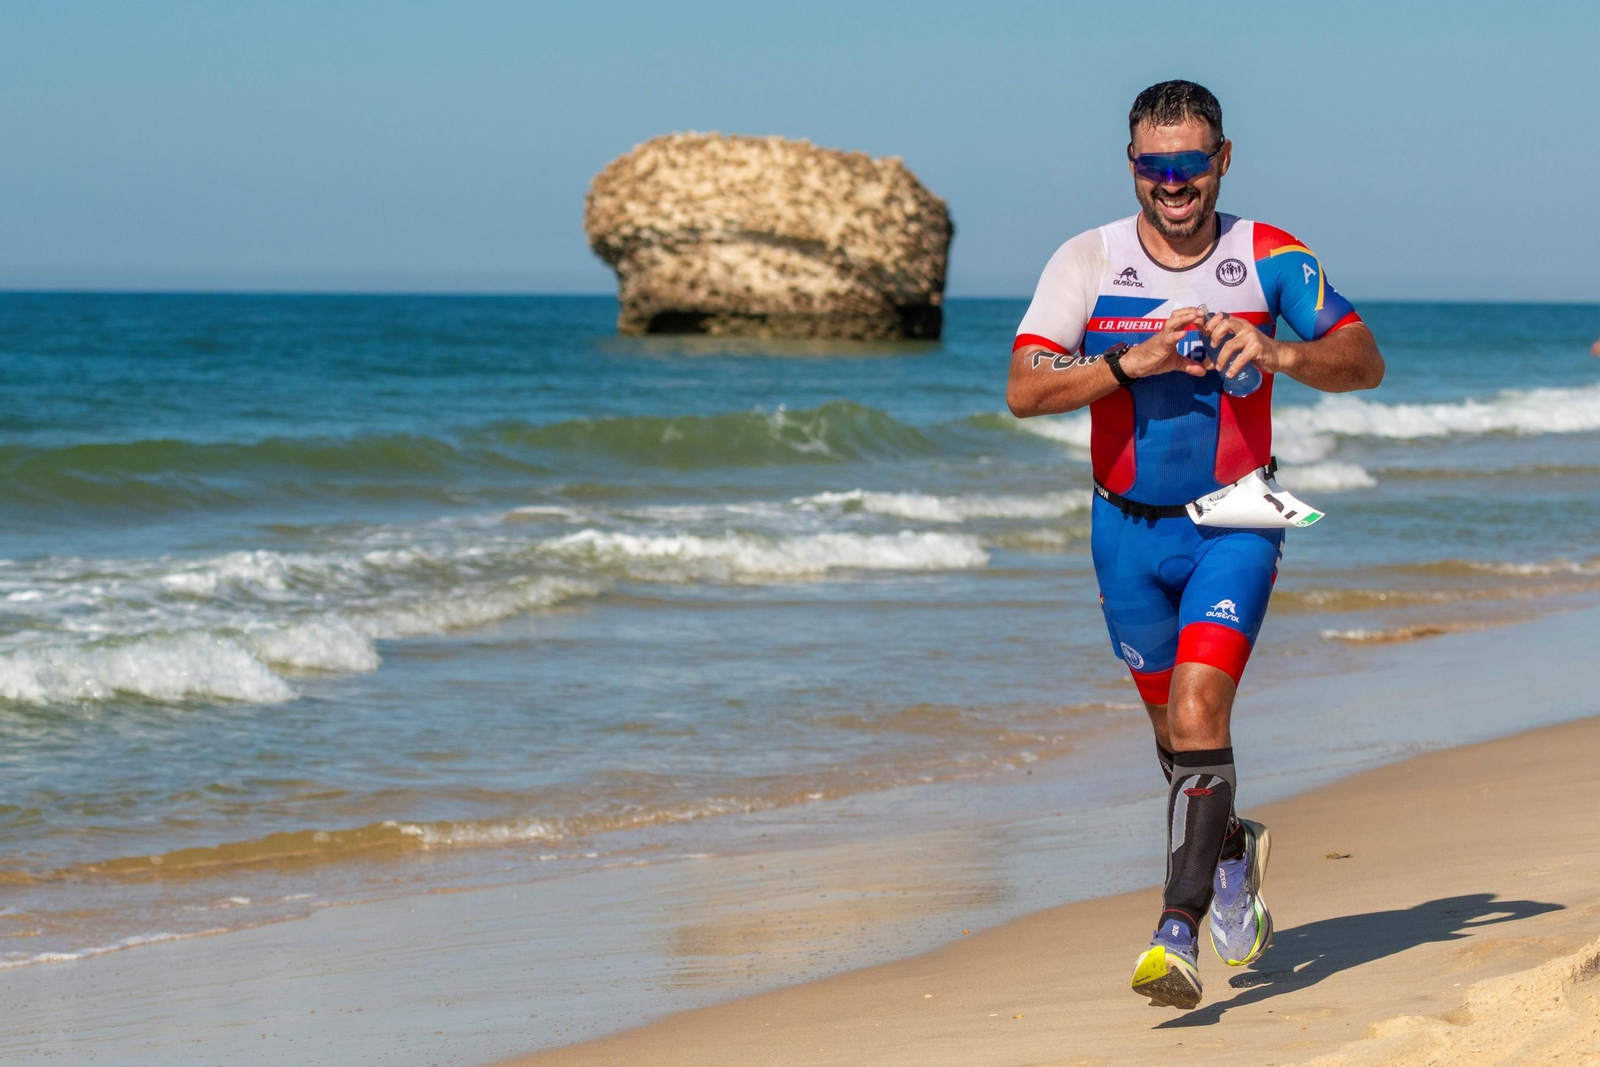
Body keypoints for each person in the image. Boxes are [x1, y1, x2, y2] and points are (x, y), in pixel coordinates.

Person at [1006, 80, 1384, 1010]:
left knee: (1201, 708)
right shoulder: (1086, 259)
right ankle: (1229, 850)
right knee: (1176, 743)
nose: (1174, 184)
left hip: (1241, 513)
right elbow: (1022, 387)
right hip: (1123, 531)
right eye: (1154, 166)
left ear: (1223, 160)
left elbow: (1364, 358)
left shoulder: (1270, 256)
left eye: (1191, 164)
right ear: (1133, 167)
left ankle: (1174, 932)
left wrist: (1278, 352)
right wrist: (1126, 363)